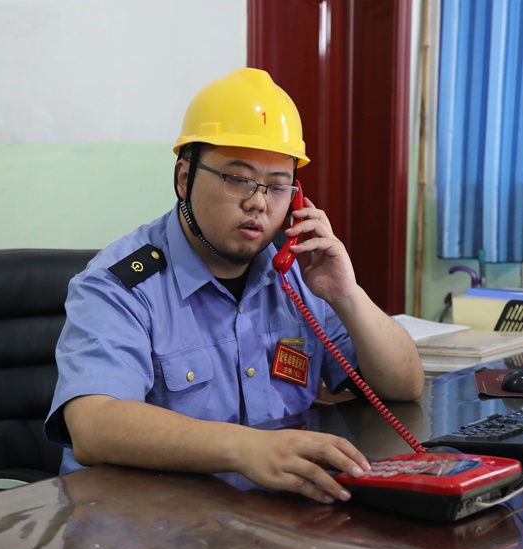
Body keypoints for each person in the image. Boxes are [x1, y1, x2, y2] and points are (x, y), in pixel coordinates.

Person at [44, 67, 424, 505]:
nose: (258, 202)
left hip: (267, 518)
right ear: (184, 178)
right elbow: (94, 424)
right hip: (149, 528)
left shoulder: (295, 273)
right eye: (237, 178)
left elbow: (404, 385)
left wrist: (346, 294)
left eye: (278, 187)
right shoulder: (118, 286)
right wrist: (245, 448)